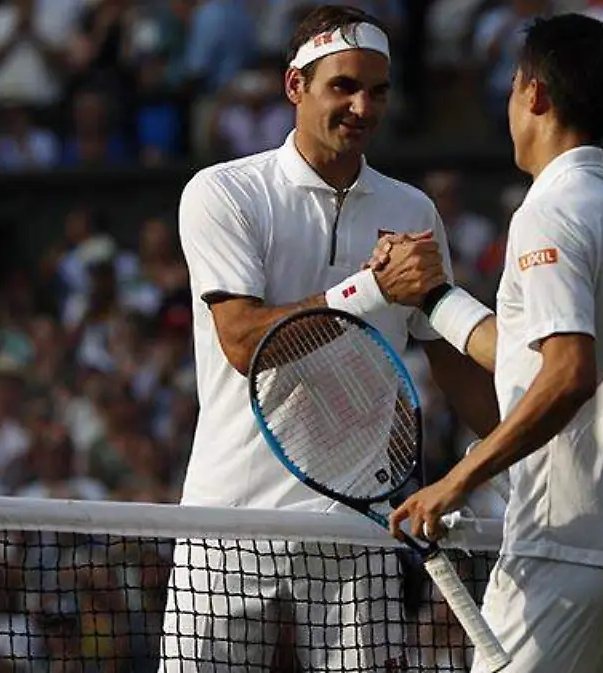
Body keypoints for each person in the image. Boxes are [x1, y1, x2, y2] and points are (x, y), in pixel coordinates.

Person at [162, 5, 499, 671]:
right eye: (342, 86)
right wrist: (370, 288)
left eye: (377, 90)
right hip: (229, 522)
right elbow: (244, 343)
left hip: (358, 528)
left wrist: (525, 448)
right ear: (296, 86)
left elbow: (454, 366)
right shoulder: (223, 193)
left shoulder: (412, 212)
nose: (361, 107)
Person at [384, 14, 603, 672]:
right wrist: (435, 299)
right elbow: (531, 355)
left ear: (536, 95)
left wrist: (456, 480)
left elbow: (568, 374)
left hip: (569, 548)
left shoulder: (548, 211)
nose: (509, 100)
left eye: (514, 83)